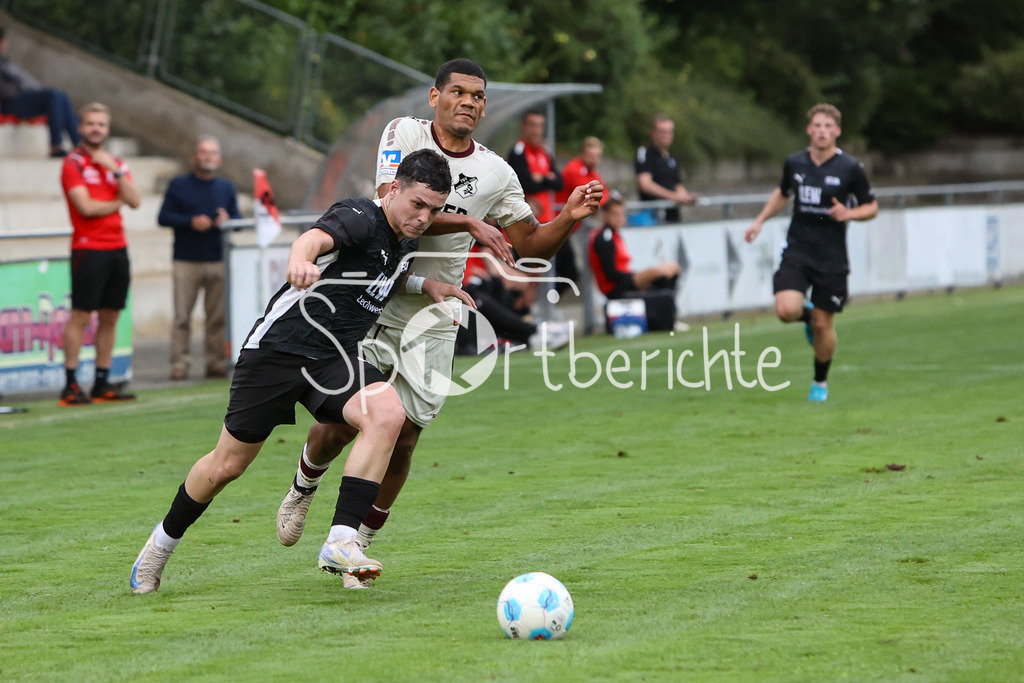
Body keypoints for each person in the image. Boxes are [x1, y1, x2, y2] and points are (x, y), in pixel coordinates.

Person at [274, 58, 603, 589]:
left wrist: (566, 217)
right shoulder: (402, 133)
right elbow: (390, 204)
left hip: (436, 317)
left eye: (478, 95)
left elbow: (528, 243)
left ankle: (356, 541)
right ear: (435, 97)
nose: (469, 101)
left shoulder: (497, 173)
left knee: (404, 439)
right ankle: (304, 484)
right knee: (342, 422)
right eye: (458, 92)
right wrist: (471, 220)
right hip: (376, 301)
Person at [129, 150, 475, 594]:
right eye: (418, 205)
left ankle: (341, 540)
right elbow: (313, 239)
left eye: (434, 209)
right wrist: (300, 258)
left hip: (332, 358)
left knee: (387, 413)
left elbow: (380, 276)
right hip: (277, 352)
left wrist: (427, 284)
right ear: (392, 190)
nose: (424, 218)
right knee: (226, 466)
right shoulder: (360, 216)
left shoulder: (404, 238)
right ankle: (159, 546)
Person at [744, 104, 878, 402]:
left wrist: (850, 213)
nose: (822, 131)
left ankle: (820, 381)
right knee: (785, 310)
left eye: (828, 126)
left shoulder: (850, 168)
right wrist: (759, 220)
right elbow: (782, 193)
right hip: (798, 249)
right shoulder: (795, 163)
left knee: (823, 324)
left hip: (831, 256)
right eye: (817, 125)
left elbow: (872, 207)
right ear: (809, 129)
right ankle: (805, 316)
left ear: (837, 132)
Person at [58, 102, 141, 406]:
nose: (96, 129)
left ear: (107, 129)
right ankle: (70, 384)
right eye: (91, 123)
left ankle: (102, 383)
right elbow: (87, 208)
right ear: (80, 128)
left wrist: (116, 170)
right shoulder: (73, 163)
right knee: (81, 315)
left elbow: (136, 199)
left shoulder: (115, 163)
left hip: (117, 248)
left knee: (110, 315)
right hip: (87, 248)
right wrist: (119, 201)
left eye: (102, 124)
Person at [158, 136, 241, 381]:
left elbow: (238, 222)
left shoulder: (226, 188)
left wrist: (228, 221)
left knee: (216, 317)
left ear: (219, 158)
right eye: (203, 152)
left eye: (212, 153)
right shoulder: (178, 185)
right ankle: (179, 363)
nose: (208, 157)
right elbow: (163, 217)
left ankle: (215, 361)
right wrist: (190, 222)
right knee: (182, 316)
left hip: (218, 259)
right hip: (186, 260)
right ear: (194, 157)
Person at [0, 26, 80, 157]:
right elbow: (6, 90)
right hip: (9, 103)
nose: (6, 45)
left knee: (61, 97)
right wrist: (22, 89)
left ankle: (79, 144)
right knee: (52, 95)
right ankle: (56, 145)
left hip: (21, 98)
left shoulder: (5, 62)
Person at [589, 196, 679, 300]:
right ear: (605, 215)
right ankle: (666, 305)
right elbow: (611, 273)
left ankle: (667, 305)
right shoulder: (604, 237)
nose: (619, 218)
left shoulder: (615, 235)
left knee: (672, 269)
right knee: (658, 271)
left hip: (625, 280)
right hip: (613, 287)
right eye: (615, 214)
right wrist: (636, 275)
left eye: (622, 214)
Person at [553, 136, 608, 289]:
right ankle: (538, 306)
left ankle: (545, 305)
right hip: (556, 226)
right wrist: (601, 199)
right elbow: (590, 195)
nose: (595, 160)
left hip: (568, 230)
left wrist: (602, 198)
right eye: (591, 156)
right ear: (583, 154)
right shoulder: (575, 168)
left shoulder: (591, 172)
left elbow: (605, 193)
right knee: (556, 270)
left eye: (598, 156)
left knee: (569, 271)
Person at [634, 114, 697, 223]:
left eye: (669, 131)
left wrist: (686, 196)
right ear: (653, 133)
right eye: (662, 131)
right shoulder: (645, 153)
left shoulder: (672, 158)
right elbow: (645, 184)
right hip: (653, 216)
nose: (666, 135)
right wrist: (674, 196)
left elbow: (677, 185)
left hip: (672, 216)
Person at [507, 109, 563, 223]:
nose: (536, 131)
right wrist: (548, 178)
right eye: (532, 125)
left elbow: (559, 183)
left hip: (547, 219)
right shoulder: (518, 151)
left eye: (540, 126)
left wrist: (541, 178)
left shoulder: (544, 153)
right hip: (527, 221)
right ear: (524, 126)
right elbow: (526, 184)